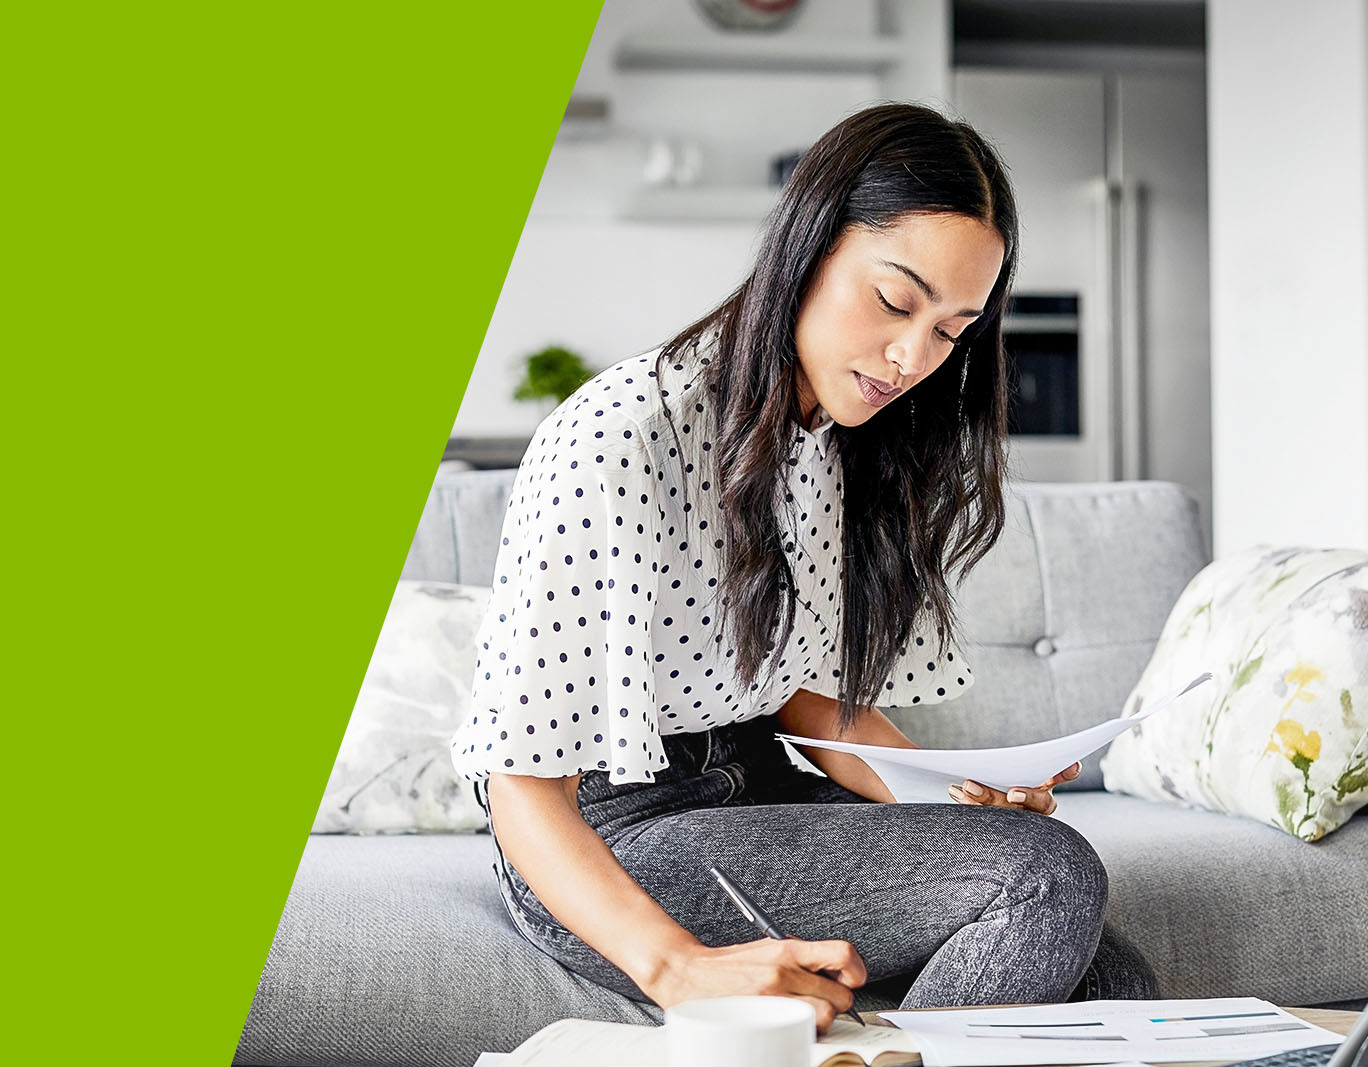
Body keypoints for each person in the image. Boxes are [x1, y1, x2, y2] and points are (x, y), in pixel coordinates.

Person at [449, 102, 1159, 1032]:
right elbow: (519, 782)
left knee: (1113, 978)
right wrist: (678, 968)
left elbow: (809, 703)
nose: (913, 357)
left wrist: (962, 796)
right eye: (895, 301)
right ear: (807, 247)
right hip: (607, 837)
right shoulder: (622, 436)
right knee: (1048, 877)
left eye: (952, 331)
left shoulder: (842, 437)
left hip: (757, 788)